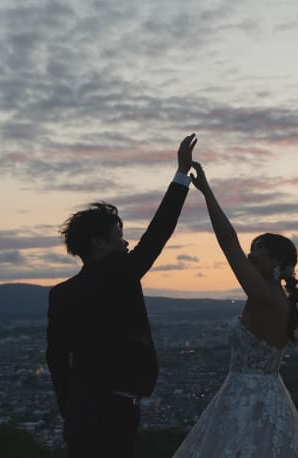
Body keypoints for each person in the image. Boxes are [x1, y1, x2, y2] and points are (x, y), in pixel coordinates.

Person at [45, 133, 197, 458]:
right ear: (98, 244)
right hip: (114, 411)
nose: (126, 244)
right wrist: (182, 174)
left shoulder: (60, 295)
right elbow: (159, 232)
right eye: (119, 238)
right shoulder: (119, 276)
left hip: (80, 415)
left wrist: (68, 408)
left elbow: (57, 360)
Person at [173, 161, 298, 457]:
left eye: (258, 251)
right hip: (268, 401)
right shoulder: (280, 300)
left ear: (276, 263)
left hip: (247, 404)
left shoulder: (264, 297)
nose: (250, 255)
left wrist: (207, 192)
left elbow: (228, 243)